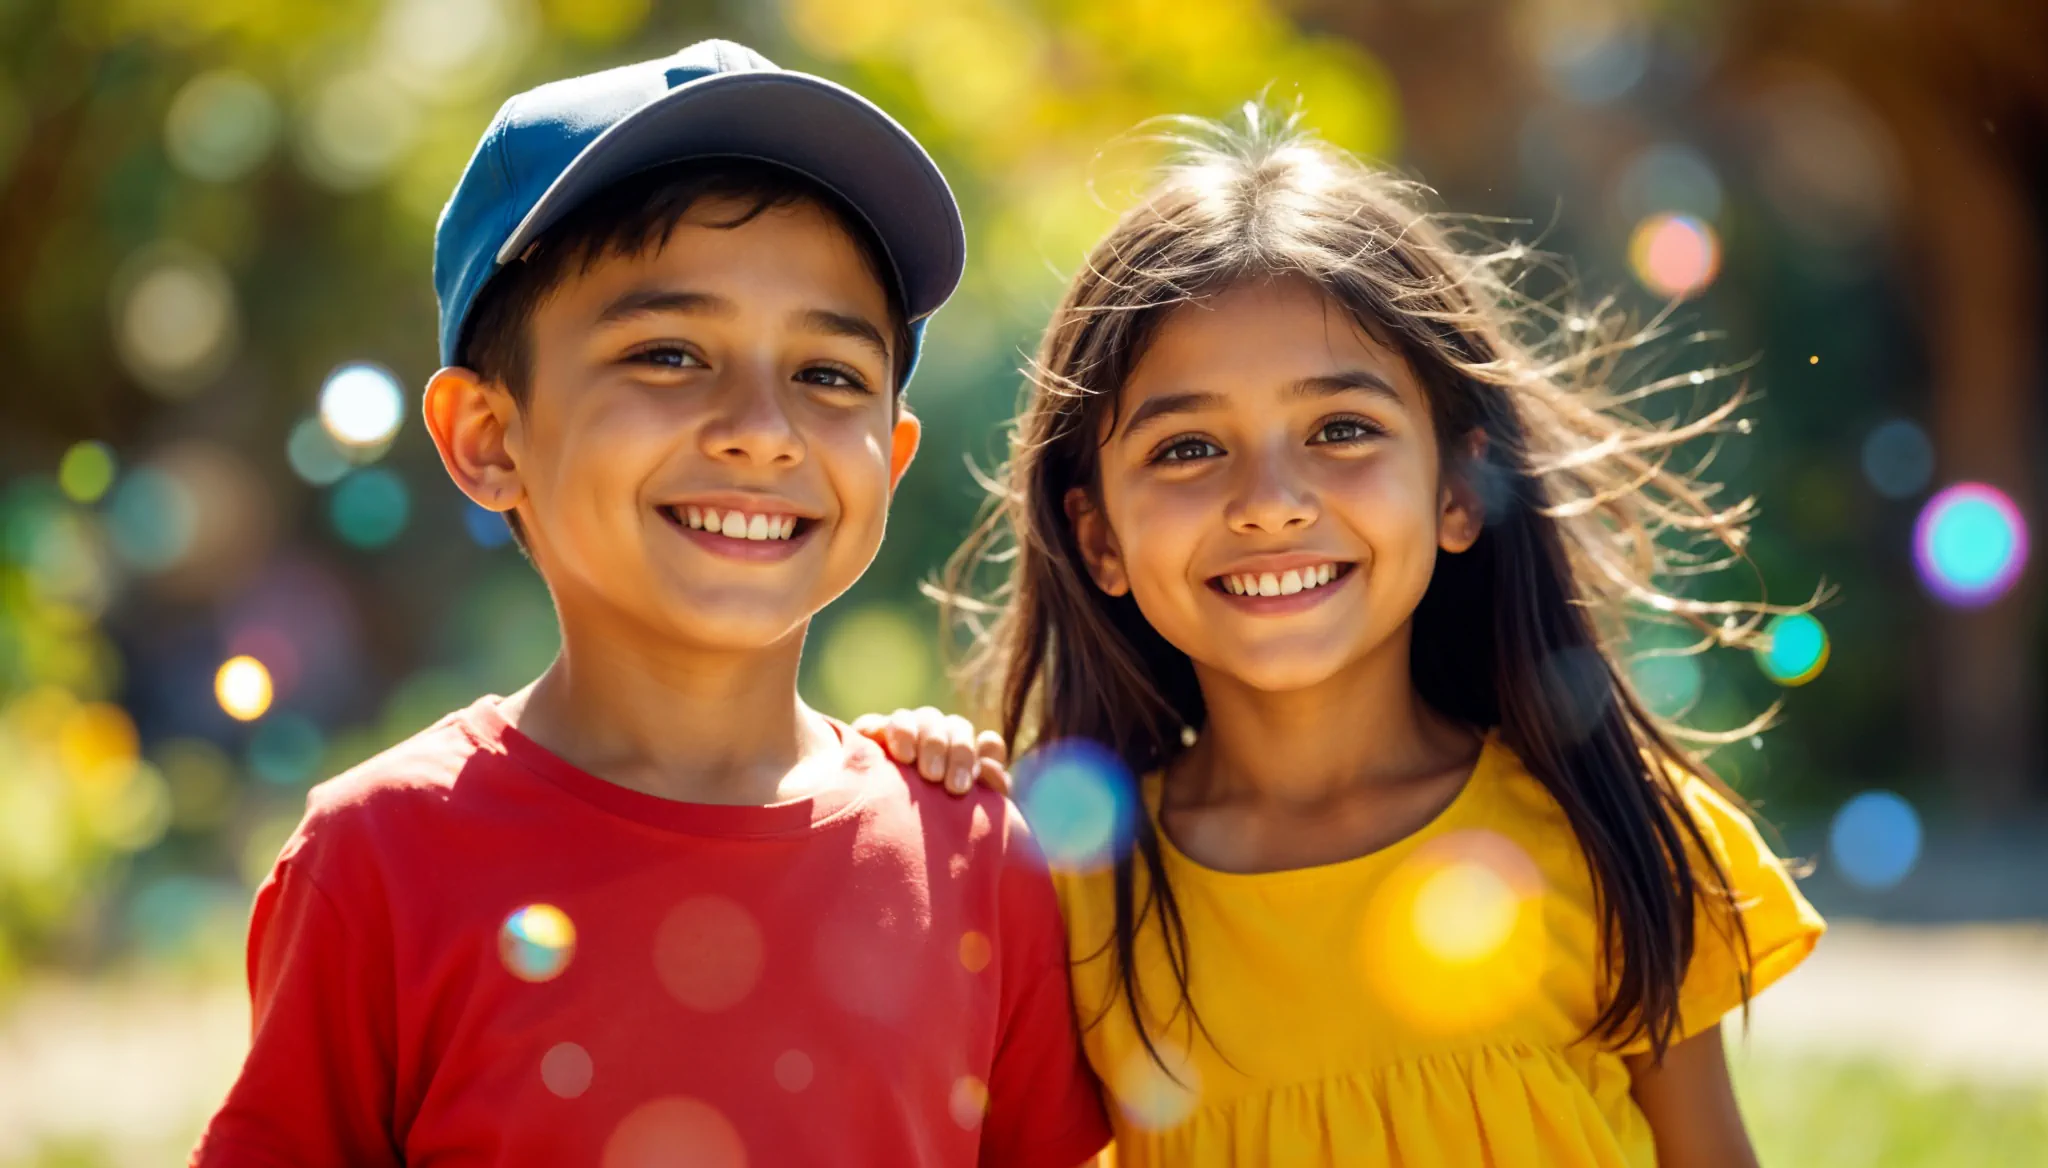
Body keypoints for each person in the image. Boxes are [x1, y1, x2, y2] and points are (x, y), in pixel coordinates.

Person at [191, 39, 1108, 1168]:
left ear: (893, 454)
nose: (762, 428)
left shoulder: (971, 858)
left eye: (828, 375)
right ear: (487, 438)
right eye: (670, 353)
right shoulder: (374, 862)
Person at [883, 107, 1825, 1167]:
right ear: (1096, 537)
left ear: (1457, 491)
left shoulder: (1610, 825)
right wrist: (899, 791)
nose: (1271, 502)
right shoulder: (1059, 891)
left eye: (1340, 430)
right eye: (1188, 446)